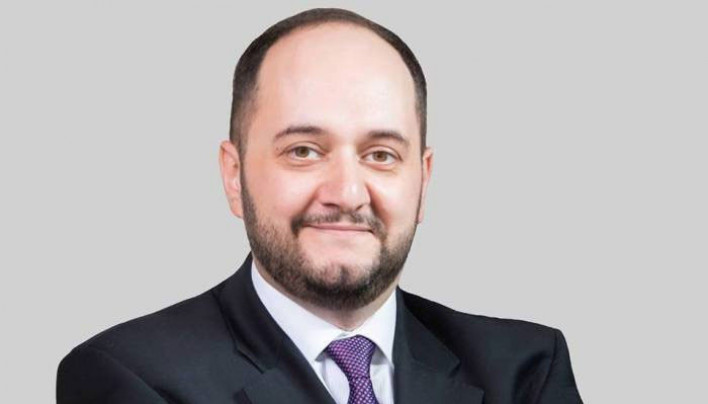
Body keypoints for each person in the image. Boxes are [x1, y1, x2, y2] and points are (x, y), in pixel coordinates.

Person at [57, 8, 583, 404]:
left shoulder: (525, 372)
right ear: (234, 175)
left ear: (423, 180)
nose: (348, 193)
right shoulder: (131, 376)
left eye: (381, 155)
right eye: (304, 151)